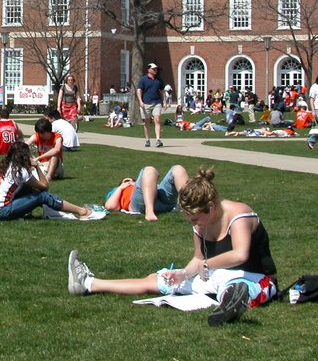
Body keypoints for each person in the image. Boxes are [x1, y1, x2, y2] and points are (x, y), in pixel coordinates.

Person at [67, 167, 277, 326]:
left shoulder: (239, 214)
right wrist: (184, 274)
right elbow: (198, 258)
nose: (194, 224)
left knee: (233, 287)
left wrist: (207, 264)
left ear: (211, 206)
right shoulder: (201, 223)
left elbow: (240, 254)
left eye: (195, 219)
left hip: (254, 277)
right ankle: (89, 283)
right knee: (157, 280)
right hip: (216, 275)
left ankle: (230, 303)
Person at [0, 141, 96, 221]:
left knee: (28, 188)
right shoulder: (20, 170)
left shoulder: (3, 165)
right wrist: (36, 166)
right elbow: (44, 186)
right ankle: (82, 212)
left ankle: (49, 209)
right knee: (42, 196)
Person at [104, 164, 190, 222]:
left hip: (162, 199)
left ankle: (190, 206)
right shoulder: (116, 190)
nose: (129, 182)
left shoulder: (140, 184)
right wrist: (120, 188)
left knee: (178, 169)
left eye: (132, 180)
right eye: (126, 181)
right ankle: (149, 211)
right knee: (149, 170)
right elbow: (110, 206)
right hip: (141, 204)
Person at [136, 62, 164, 148]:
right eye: (153, 69)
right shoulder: (143, 79)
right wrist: (140, 101)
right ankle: (147, 140)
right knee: (147, 122)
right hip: (146, 103)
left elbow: (162, 91)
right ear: (149, 70)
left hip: (157, 102)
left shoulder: (159, 80)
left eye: (156, 69)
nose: (155, 70)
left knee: (157, 119)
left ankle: (158, 140)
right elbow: (139, 90)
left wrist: (165, 102)